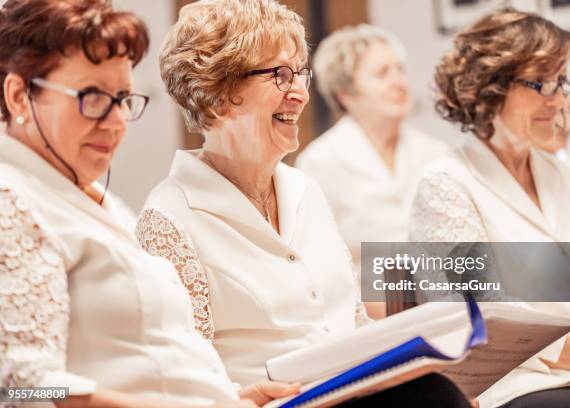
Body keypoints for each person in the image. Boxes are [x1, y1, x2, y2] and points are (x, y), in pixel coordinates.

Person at [136, 1, 471, 406]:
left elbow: (352, 321)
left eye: (299, 73)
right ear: (217, 97)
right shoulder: (169, 219)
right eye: (279, 75)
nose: (299, 93)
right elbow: (180, 377)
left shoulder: (305, 190)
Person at [0, 0, 308, 406]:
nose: (114, 122)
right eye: (92, 97)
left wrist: (231, 396)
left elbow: (151, 359)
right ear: (20, 96)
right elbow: (20, 388)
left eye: (123, 99)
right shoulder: (14, 201)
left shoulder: (94, 198)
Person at [408, 8, 570, 408]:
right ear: (490, 87)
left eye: (562, 82)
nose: (558, 100)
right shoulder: (446, 184)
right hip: (511, 382)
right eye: (540, 83)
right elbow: (478, 315)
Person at [295, 24, 448, 318]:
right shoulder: (319, 164)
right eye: (382, 74)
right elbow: (317, 268)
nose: (399, 82)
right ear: (345, 93)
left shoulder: (435, 154)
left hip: (444, 310)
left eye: (400, 69)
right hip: (364, 319)